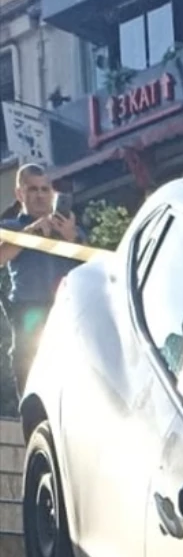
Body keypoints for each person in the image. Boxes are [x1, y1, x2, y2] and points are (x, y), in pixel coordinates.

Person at [0, 163, 79, 398]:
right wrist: (32, 232)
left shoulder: (70, 229)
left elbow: (91, 268)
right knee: (33, 393)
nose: (40, 195)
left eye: (45, 189)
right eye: (33, 189)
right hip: (29, 316)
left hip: (67, 314)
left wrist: (71, 238)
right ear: (19, 194)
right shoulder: (10, 228)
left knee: (72, 391)